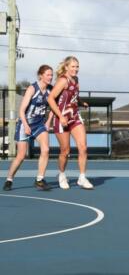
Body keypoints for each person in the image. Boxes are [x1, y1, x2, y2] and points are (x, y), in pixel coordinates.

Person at [3, 65, 54, 191]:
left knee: (46, 150)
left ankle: (39, 179)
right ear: (40, 75)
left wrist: (48, 121)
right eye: (48, 74)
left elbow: (54, 107)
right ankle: (9, 179)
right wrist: (25, 125)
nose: (50, 77)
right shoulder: (32, 88)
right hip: (25, 123)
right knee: (21, 156)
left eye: (51, 75)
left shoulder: (50, 90)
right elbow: (21, 111)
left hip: (39, 124)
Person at [47, 56, 93, 190]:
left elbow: (73, 96)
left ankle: (82, 177)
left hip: (74, 117)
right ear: (66, 67)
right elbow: (51, 99)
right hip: (61, 119)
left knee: (83, 147)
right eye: (73, 66)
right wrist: (60, 116)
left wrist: (80, 102)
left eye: (77, 66)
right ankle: (61, 175)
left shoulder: (76, 80)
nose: (75, 69)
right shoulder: (63, 80)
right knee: (65, 151)